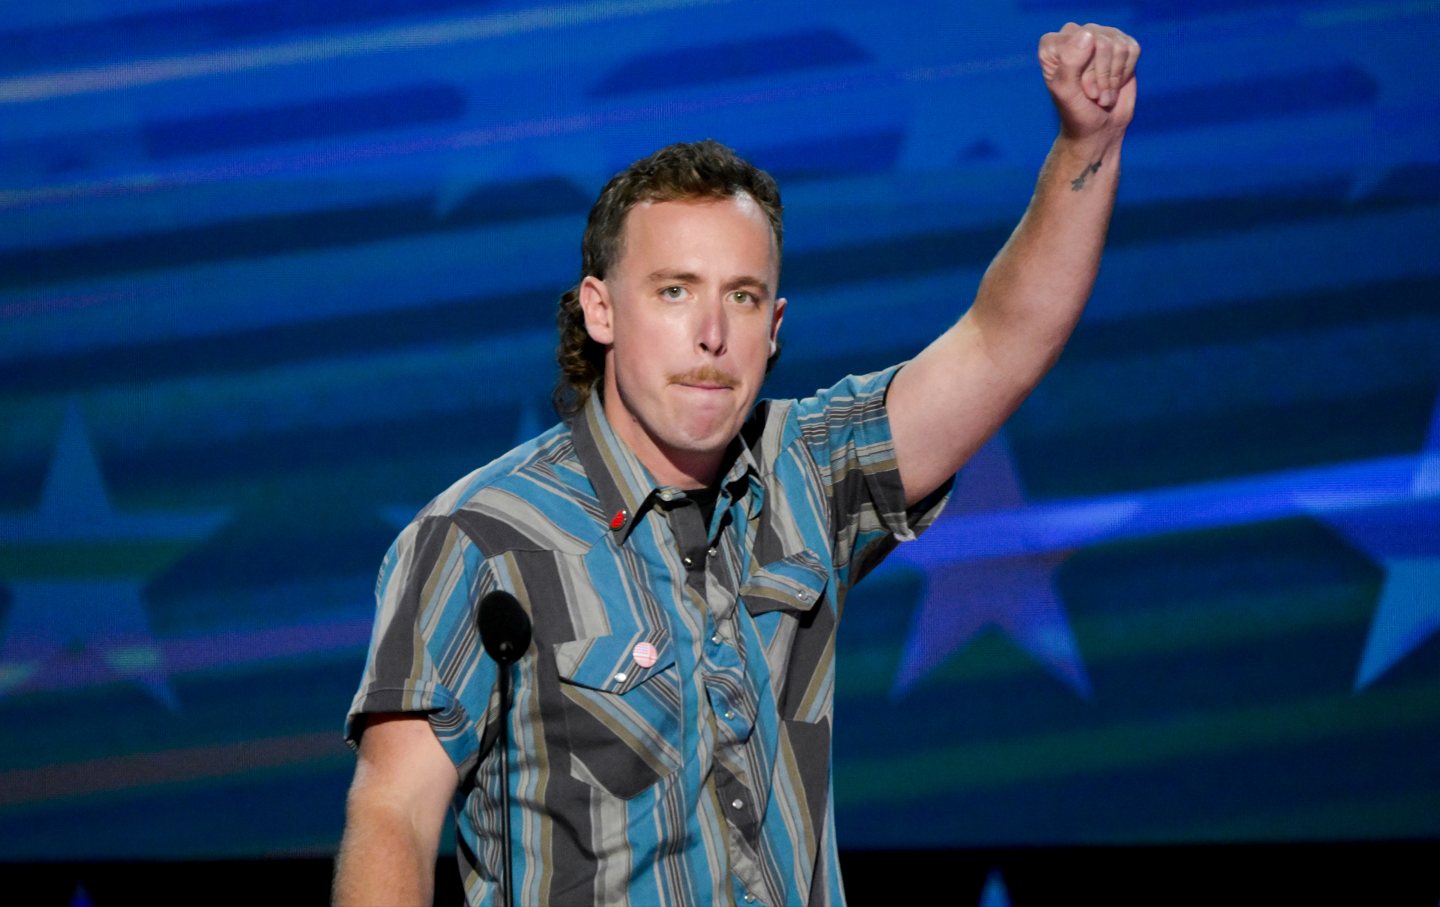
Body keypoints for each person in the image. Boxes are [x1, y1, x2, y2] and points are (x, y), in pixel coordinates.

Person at [334, 21, 1139, 907]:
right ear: (600, 310)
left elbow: (1002, 341)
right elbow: (394, 814)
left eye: (742, 297)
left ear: (776, 325)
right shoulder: (480, 538)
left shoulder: (813, 471)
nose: (712, 332)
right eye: (674, 290)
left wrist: (1086, 143)